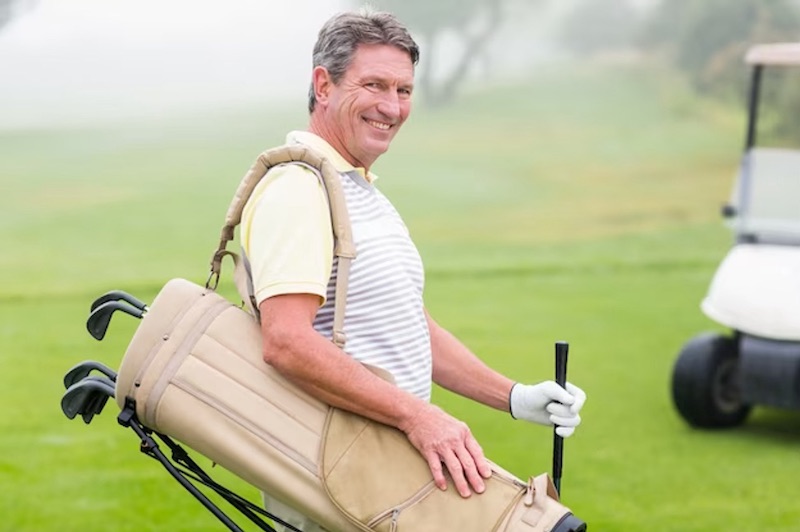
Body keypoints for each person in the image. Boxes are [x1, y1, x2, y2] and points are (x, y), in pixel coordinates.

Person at [239, 9, 587, 532]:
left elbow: (407, 325)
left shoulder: (355, 189)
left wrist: (514, 397)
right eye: (374, 85)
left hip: (380, 470)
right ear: (323, 84)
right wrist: (418, 416)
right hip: (339, 473)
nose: (391, 106)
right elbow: (286, 340)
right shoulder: (299, 187)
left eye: (403, 90)